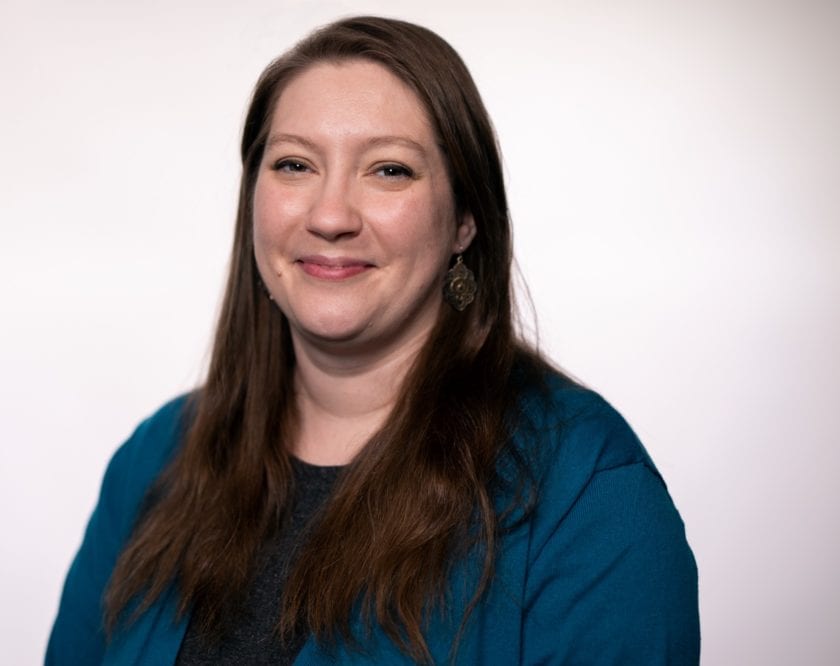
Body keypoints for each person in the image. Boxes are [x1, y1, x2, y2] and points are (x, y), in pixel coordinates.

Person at [46, 15, 699, 665]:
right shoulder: (157, 457)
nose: (330, 216)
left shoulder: (588, 490)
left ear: (466, 220)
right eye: (295, 164)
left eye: (388, 170)